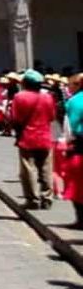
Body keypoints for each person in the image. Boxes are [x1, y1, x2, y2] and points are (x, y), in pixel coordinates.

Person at [9, 69, 56, 210]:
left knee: (28, 169)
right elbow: (52, 117)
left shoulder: (19, 97)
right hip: (45, 136)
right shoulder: (48, 97)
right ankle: (47, 197)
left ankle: (32, 199)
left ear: (25, 83)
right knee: (46, 168)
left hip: (27, 137)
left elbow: (15, 118)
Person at [63, 74, 83, 228]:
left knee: (77, 185)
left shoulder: (74, 102)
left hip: (80, 146)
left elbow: (70, 127)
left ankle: (81, 220)